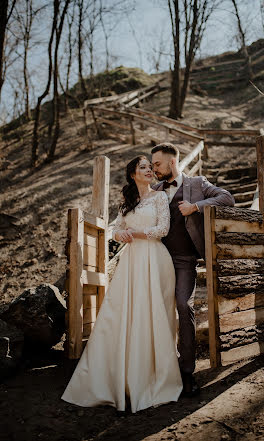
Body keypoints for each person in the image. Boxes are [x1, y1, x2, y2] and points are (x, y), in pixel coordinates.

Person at [61, 155, 182, 413]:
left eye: (151, 167)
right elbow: (115, 229)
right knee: (126, 312)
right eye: (143, 168)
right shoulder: (127, 203)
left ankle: (155, 376)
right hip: (132, 262)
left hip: (155, 259)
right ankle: (122, 376)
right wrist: (121, 233)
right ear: (132, 174)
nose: (149, 170)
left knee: (154, 313)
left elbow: (163, 229)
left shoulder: (160, 197)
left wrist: (134, 233)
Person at [151, 143, 235, 396]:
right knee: (153, 309)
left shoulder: (197, 183)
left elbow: (227, 198)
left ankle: (187, 373)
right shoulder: (153, 189)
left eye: (157, 163)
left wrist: (196, 207)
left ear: (172, 162)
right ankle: (155, 369)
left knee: (184, 305)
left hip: (184, 259)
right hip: (155, 258)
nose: (154, 168)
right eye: (152, 164)